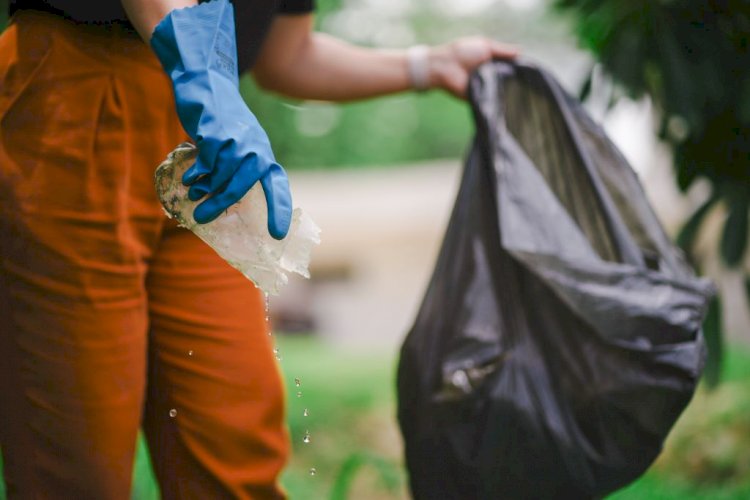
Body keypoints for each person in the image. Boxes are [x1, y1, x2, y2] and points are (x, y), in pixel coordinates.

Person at [0, 0, 516, 497]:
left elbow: (284, 55)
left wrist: (429, 65)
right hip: (74, 92)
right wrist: (201, 74)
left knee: (234, 445)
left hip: (207, 149)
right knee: (75, 464)